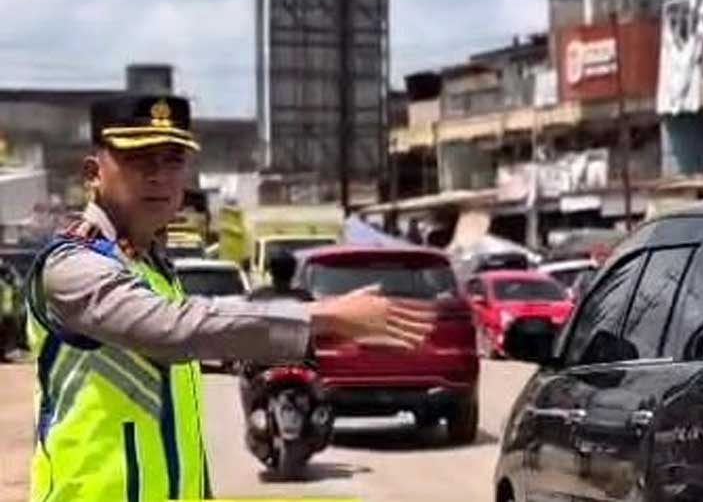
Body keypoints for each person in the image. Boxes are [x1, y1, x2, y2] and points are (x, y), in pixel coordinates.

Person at [25, 94, 433, 501]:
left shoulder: (152, 267)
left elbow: (172, 429)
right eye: (138, 159)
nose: (159, 176)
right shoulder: (73, 264)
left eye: (173, 161)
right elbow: (175, 328)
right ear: (93, 173)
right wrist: (321, 316)